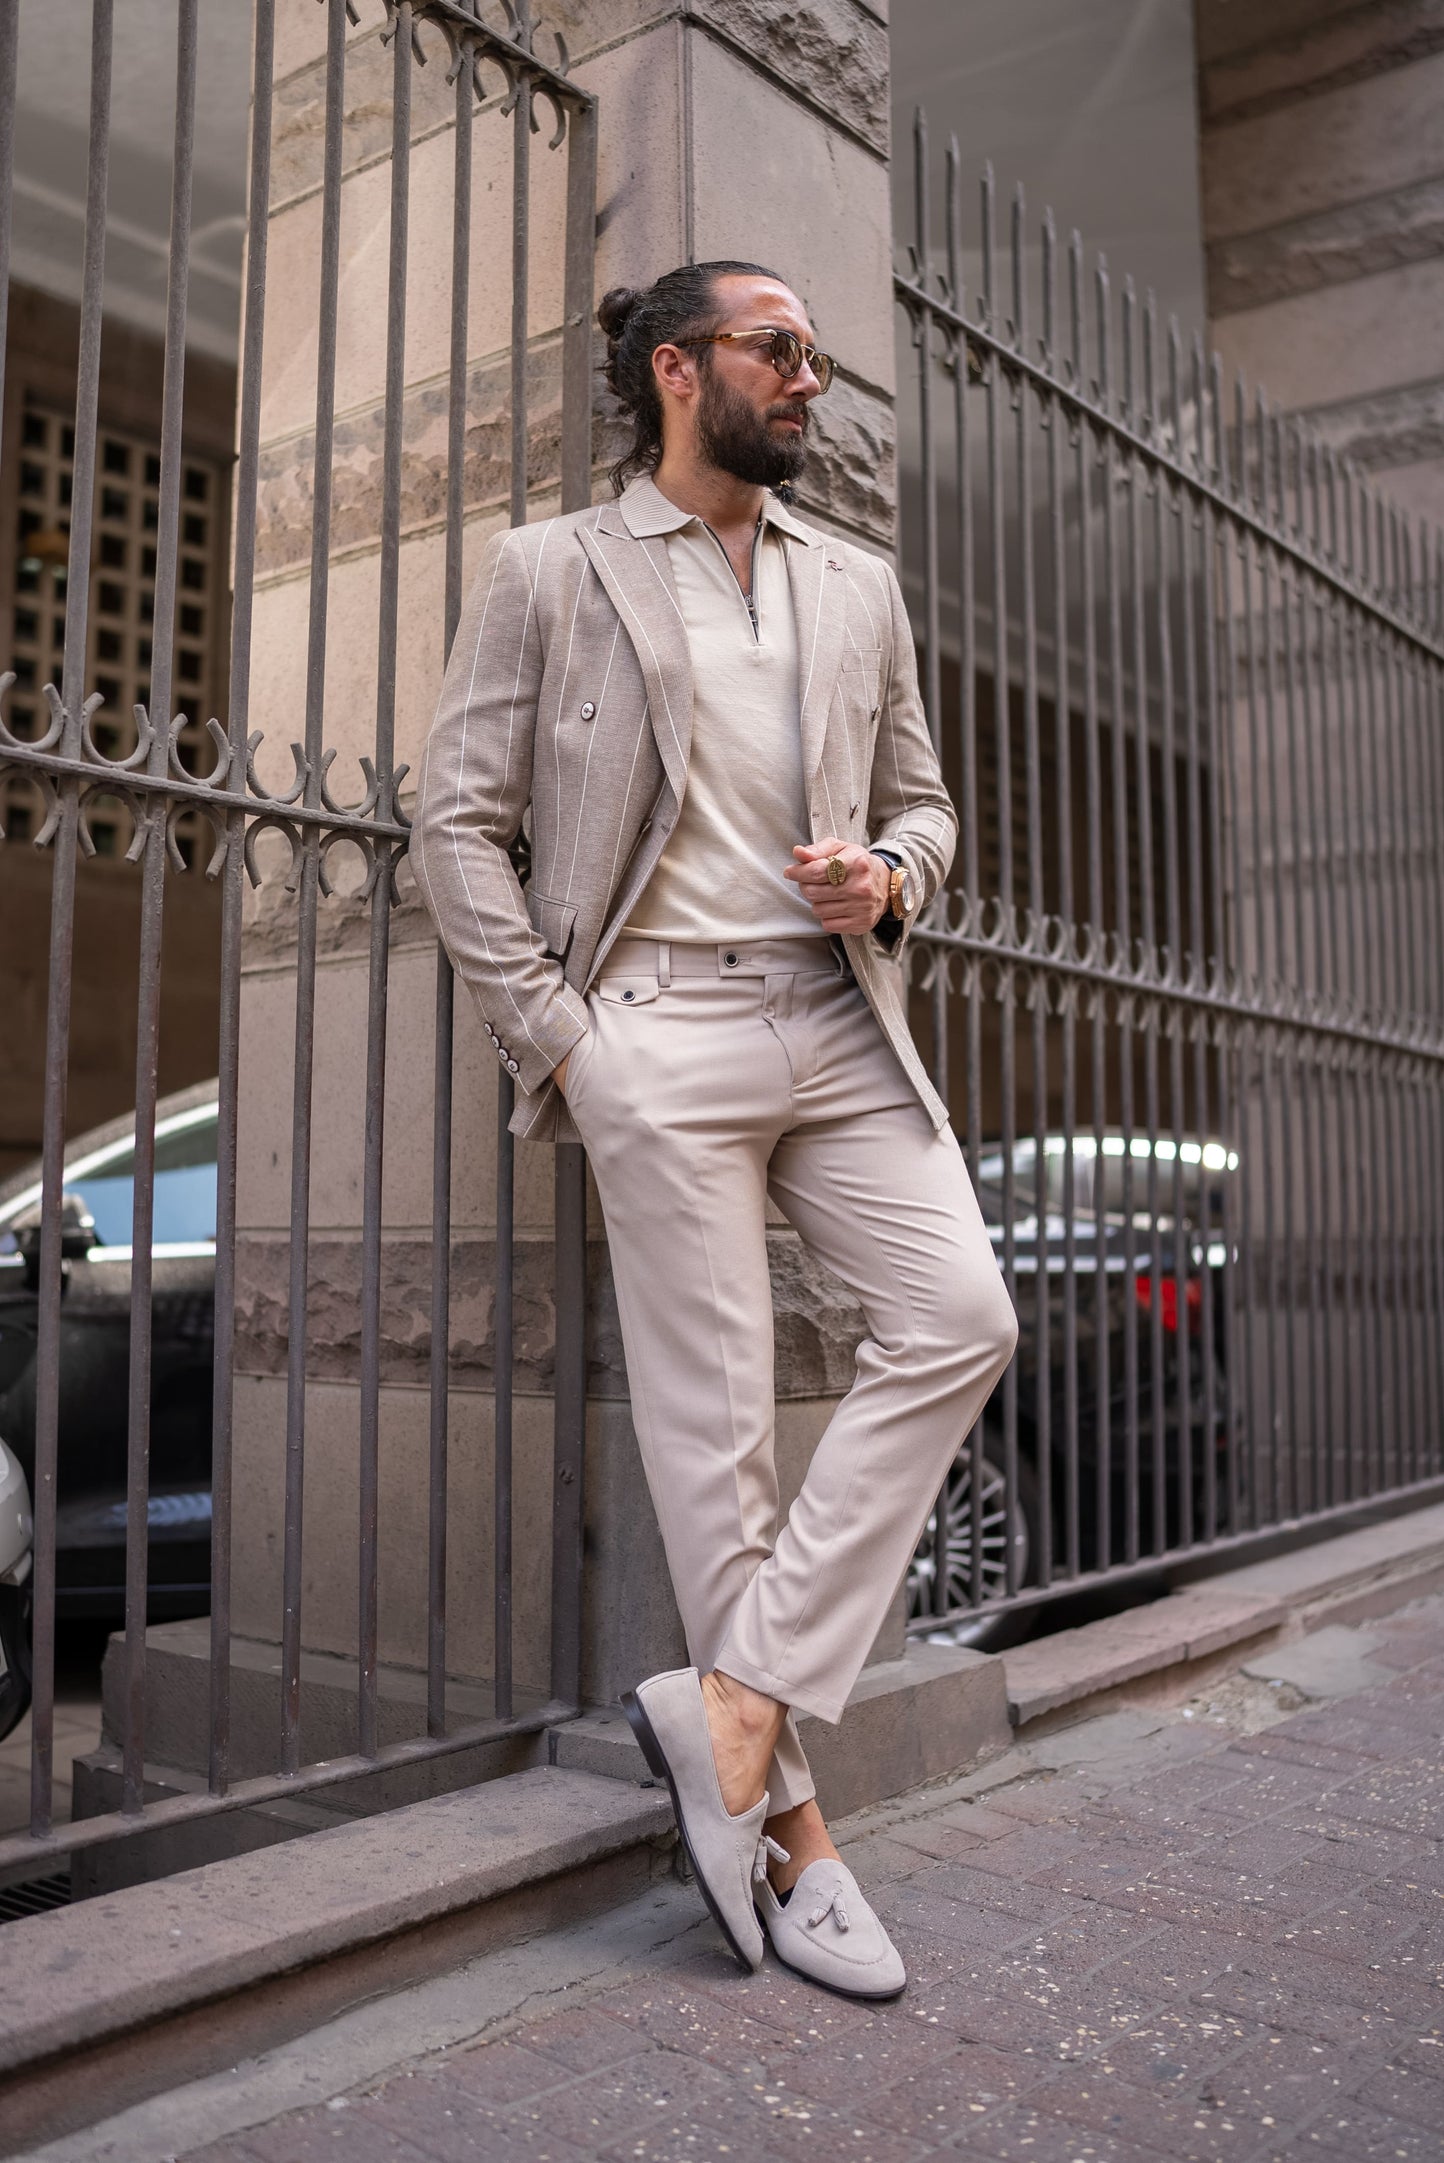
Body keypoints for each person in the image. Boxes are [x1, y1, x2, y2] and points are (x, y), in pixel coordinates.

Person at [411, 260, 1018, 1998]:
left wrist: (888, 875)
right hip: (653, 1029)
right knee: (716, 1440)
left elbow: (924, 802)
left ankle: (734, 1706)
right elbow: (459, 824)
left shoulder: (857, 587)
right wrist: (566, 1043)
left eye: (818, 357)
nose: (811, 381)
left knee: (957, 1319)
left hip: (836, 1018)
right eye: (780, 352)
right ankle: (798, 1841)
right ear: (678, 372)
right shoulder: (553, 569)